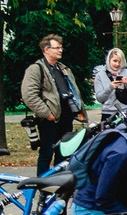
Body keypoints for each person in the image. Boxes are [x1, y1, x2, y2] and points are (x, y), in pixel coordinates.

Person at [21, 34, 86, 175]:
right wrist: (47, 114)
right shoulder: (36, 69)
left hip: (66, 117)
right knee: (46, 154)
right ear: (46, 50)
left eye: (61, 48)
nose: (60, 50)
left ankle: (58, 186)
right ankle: (43, 188)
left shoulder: (63, 69)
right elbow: (29, 95)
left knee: (63, 154)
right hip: (49, 120)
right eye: (57, 48)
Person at [93, 47, 127, 123]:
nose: (117, 64)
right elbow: (100, 99)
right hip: (108, 114)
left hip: (124, 112)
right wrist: (110, 87)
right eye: (114, 61)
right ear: (109, 60)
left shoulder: (126, 72)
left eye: (119, 61)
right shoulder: (100, 76)